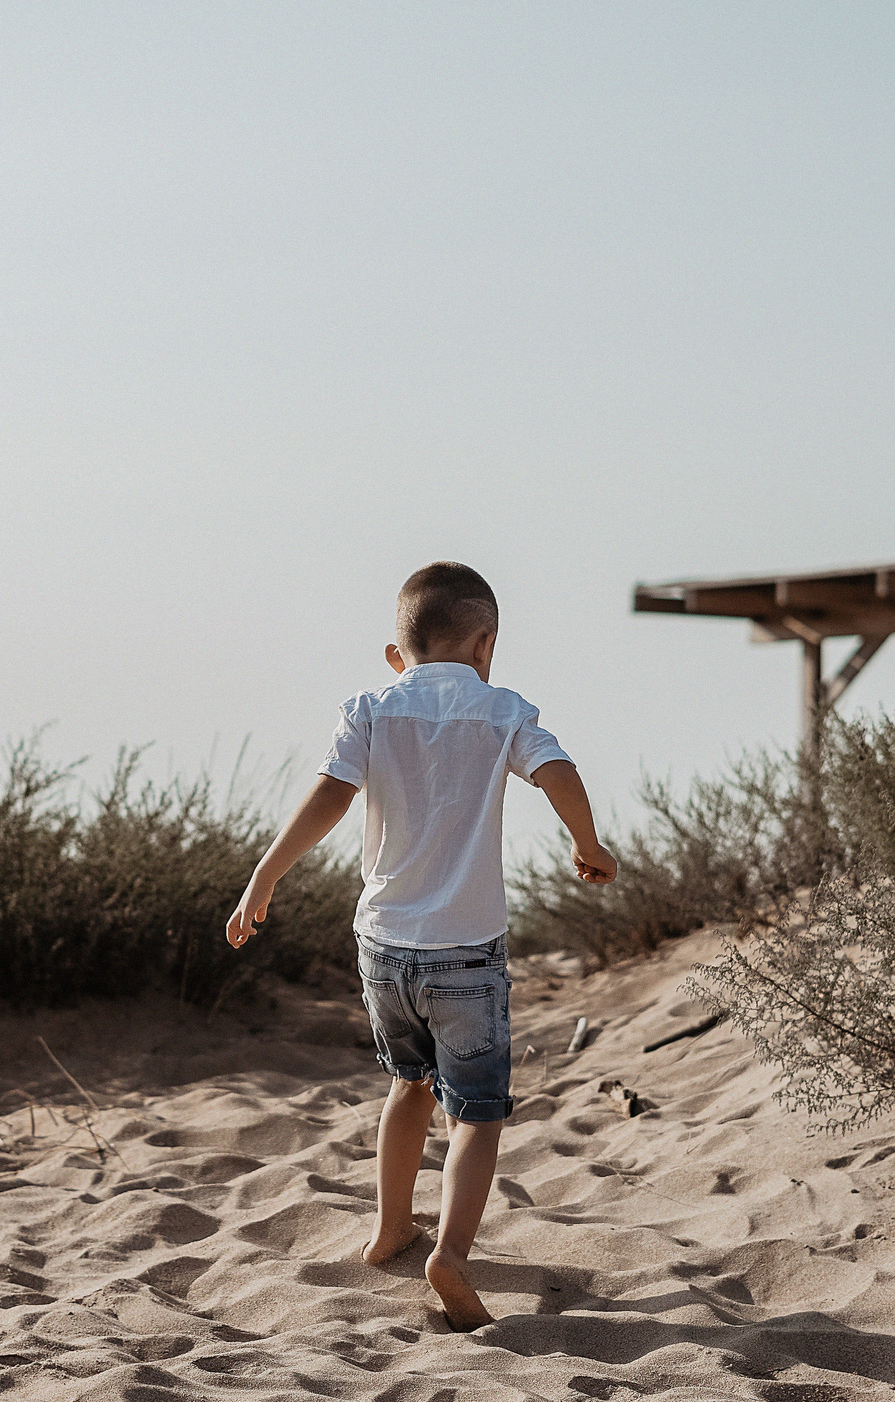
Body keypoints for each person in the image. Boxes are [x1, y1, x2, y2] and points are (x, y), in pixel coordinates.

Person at [225, 561, 616, 1330]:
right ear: (485, 644)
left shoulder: (372, 707)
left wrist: (263, 877)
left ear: (396, 654)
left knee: (408, 1085)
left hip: (383, 946)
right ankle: (452, 1253)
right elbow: (556, 769)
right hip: (467, 951)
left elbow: (330, 794)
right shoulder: (501, 707)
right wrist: (588, 841)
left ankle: (389, 1227)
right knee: (476, 1112)